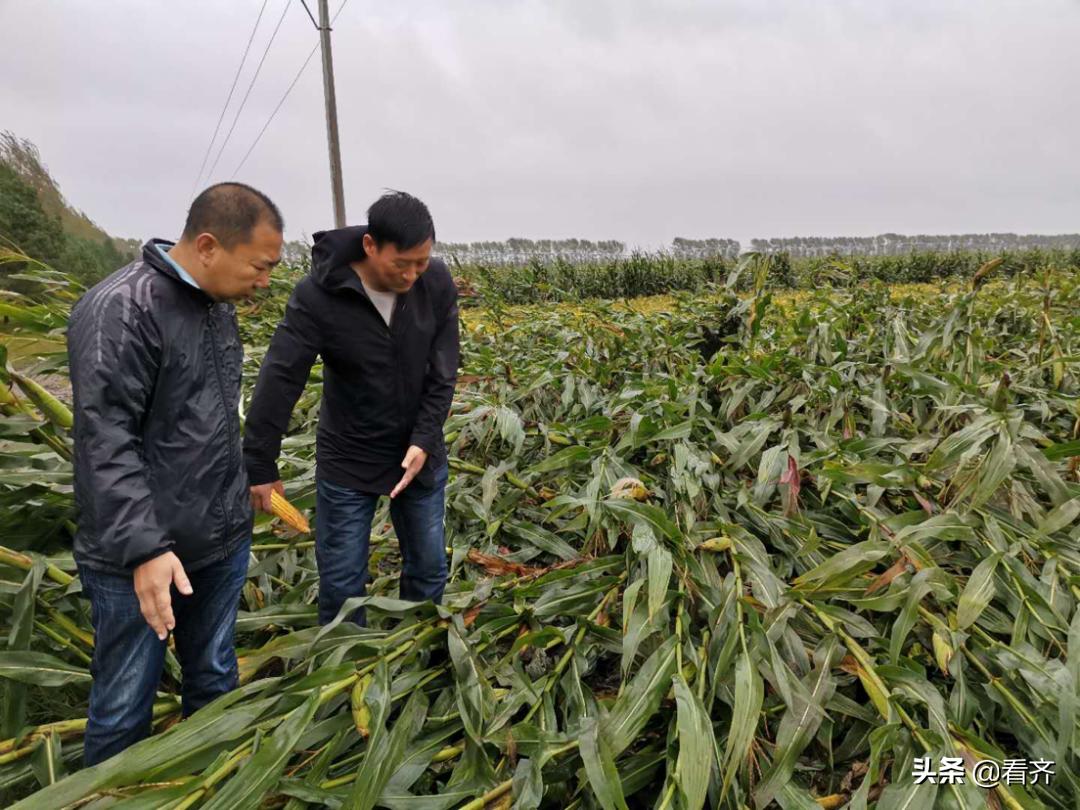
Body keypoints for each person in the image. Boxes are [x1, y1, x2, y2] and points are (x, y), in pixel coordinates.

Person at [66, 183, 283, 765]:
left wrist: (246, 485)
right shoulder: (121, 308)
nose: (265, 280)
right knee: (122, 705)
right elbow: (105, 440)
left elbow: (206, 422)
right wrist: (144, 550)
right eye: (260, 265)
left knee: (213, 680)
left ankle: (212, 786)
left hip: (219, 541)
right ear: (209, 245)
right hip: (140, 560)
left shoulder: (215, 307)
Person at [244, 191, 459, 626]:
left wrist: (423, 439)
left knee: (429, 567)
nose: (413, 275)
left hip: (418, 457)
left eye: (422, 262)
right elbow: (282, 376)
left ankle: (416, 653)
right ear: (369, 246)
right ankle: (348, 663)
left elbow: (443, 371)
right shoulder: (319, 295)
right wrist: (259, 464)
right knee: (342, 583)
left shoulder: (434, 282)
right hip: (349, 455)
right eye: (402, 264)